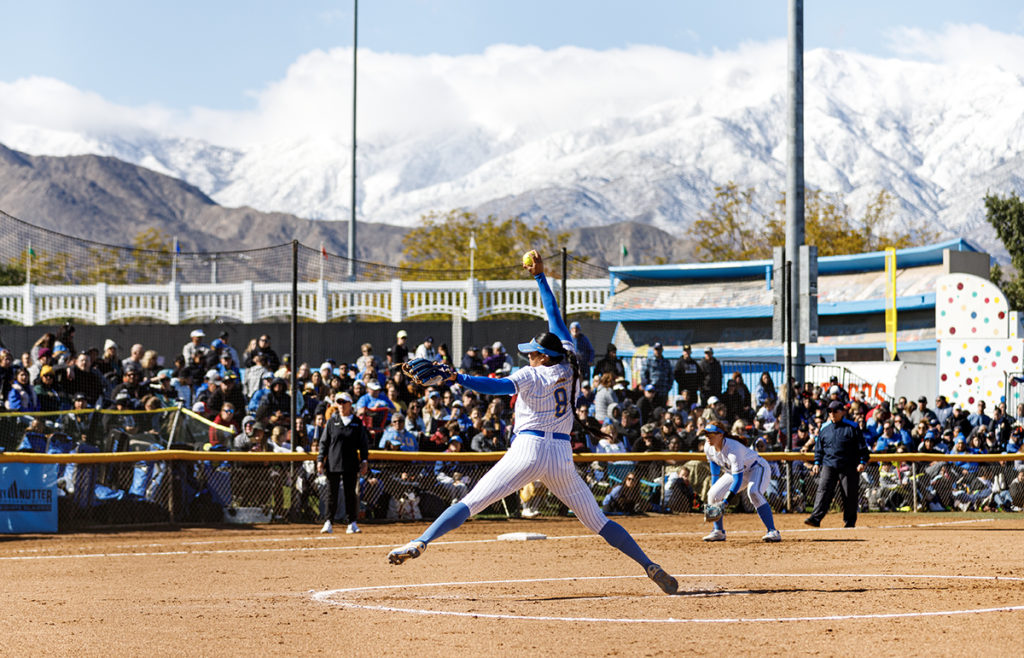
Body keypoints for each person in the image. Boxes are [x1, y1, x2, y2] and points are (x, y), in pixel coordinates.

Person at [386, 249, 678, 596]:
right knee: (599, 521)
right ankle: (648, 564)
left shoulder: (532, 374)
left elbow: (495, 386)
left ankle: (421, 541)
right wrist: (540, 276)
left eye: (532, 352)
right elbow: (554, 314)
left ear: (542, 356)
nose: (528, 355)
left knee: (470, 502)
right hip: (561, 455)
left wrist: (457, 377)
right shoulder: (570, 364)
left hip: (529, 448)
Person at [700, 423, 780, 542]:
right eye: (706, 434)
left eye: (711, 434)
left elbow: (738, 480)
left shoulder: (733, 449)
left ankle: (773, 531)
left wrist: (725, 502)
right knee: (713, 494)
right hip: (734, 472)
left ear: (721, 435)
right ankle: (718, 532)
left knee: (754, 492)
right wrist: (715, 491)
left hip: (757, 468)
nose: (707, 437)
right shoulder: (708, 447)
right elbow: (715, 471)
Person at [805, 400, 871, 528]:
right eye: (829, 411)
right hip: (829, 464)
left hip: (849, 465)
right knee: (823, 490)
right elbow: (819, 447)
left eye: (835, 411)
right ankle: (815, 518)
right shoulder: (824, 427)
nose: (832, 413)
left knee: (849, 493)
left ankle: (850, 521)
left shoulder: (852, 427)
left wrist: (862, 461)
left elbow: (862, 447)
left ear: (842, 412)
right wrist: (817, 462)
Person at [317, 392, 370, 535]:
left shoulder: (357, 423)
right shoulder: (332, 421)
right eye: (338, 402)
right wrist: (320, 460)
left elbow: (363, 444)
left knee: (350, 494)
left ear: (350, 404)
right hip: (333, 463)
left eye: (344, 402)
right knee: (331, 493)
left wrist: (364, 460)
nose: (341, 405)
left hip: (351, 463)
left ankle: (352, 522)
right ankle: (328, 522)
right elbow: (324, 442)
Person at [641, 342, 673, 409]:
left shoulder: (666, 362)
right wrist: (647, 388)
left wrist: (668, 388)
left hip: (663, 392)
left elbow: (671, 376)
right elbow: (643, 375)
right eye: (656, 349)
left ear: (662, 350)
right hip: (652, 392)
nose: (658, 351)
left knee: (662, 410)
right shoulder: (648, 361)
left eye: (659, 349)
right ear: (653, 350)